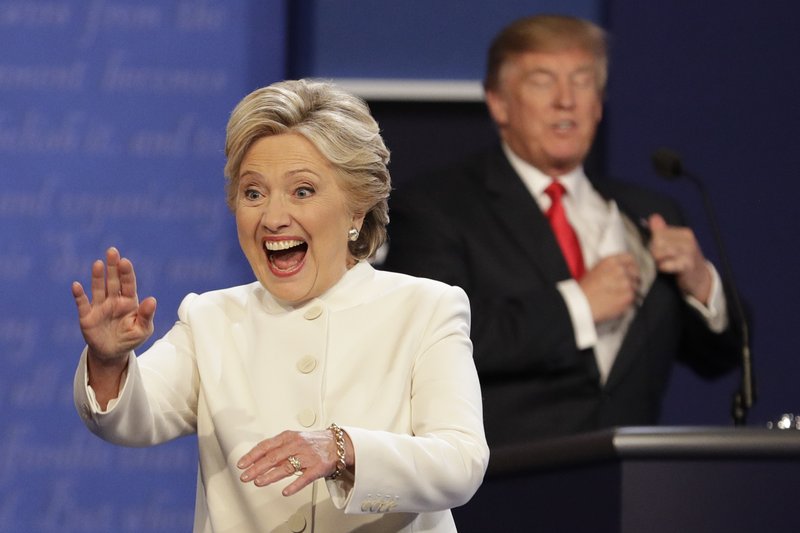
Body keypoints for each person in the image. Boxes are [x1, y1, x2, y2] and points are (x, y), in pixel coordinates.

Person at [71, 79, 489, 532]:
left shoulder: (425, 308)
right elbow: (133, 418)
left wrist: (342, 448)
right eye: (253, 193)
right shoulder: (211, 318)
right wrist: (110, 361)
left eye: (302, 191)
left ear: (357, 209)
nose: (272, 218)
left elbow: (459, 462)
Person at [382, 14, 744, 447]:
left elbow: (722, 358)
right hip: (508, 484)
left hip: (636, 491)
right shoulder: (437, 207)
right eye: (542, 81)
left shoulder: (651, 214)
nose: (565, 100)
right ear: (498, 102)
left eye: (582, 81)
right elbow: (431, 342)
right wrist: (577, 306)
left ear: (598, 103)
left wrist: (701, 285)